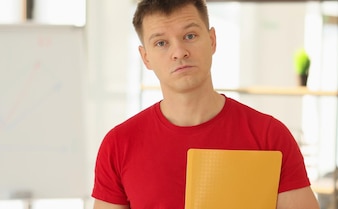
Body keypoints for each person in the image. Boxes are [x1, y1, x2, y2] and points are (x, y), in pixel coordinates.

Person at [91, 0, 321, 208]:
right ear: (146, 57)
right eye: (161, 43)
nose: (179, 52)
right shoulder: (119, 145)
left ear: (212, 40)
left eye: (190, 36)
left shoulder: (269, 137)